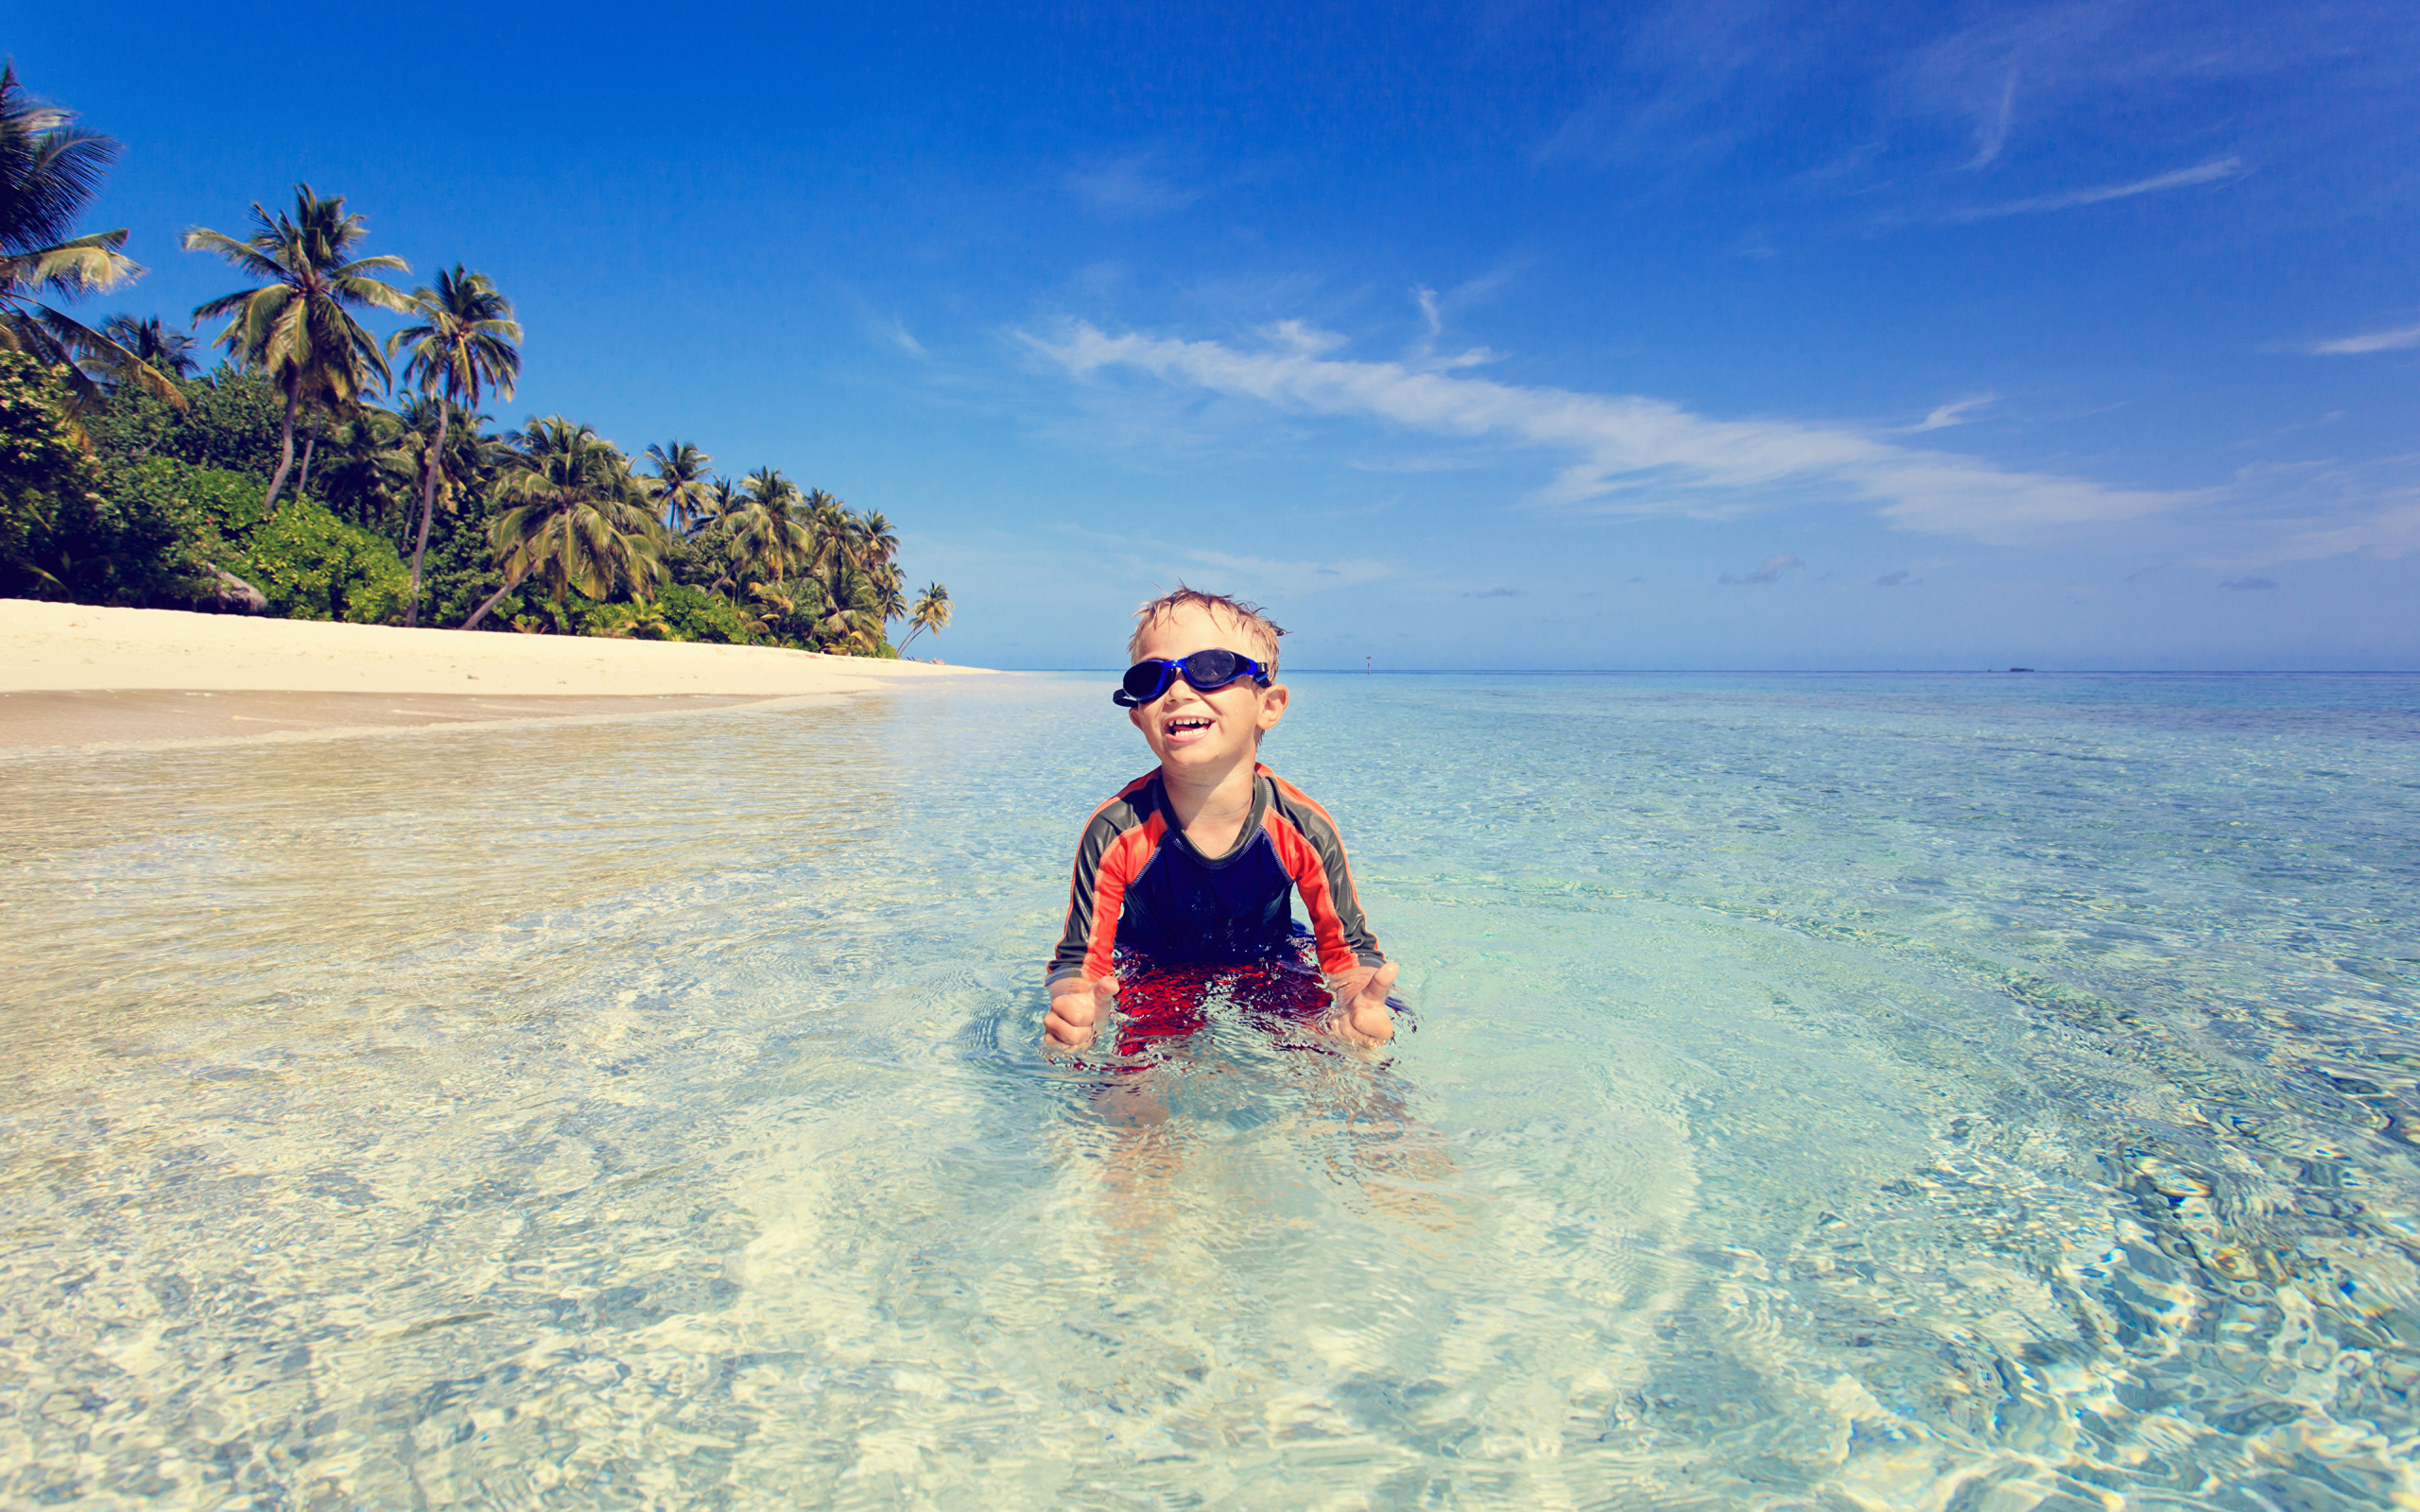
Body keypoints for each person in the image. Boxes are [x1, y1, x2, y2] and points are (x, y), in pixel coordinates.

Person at [1044, 587, 1401, 1053]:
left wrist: (1354, 999)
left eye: (1211, 668)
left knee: (1347, 1049)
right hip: (1154, 970)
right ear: (1138, 717)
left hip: (1269, 962)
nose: (1177, 691)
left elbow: (1348, 950)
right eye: (1151, 678)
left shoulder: (1301, 828)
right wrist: (1077, 1006)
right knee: (1131, 1080)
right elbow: (1080, 960)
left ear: (1269, 706)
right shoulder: (1117, 830)